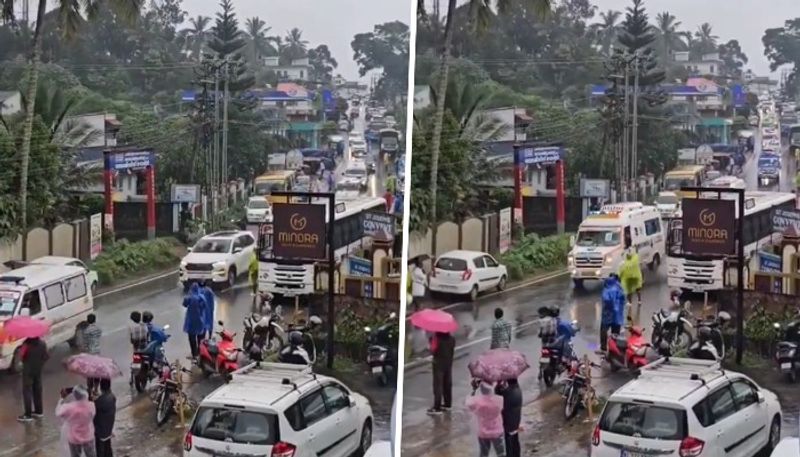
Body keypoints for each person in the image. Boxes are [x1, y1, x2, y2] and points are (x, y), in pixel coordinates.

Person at [465, 382, 506, 457]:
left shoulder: (477, 401)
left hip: (483, 432)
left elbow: (468, 403)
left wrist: (474, 390)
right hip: (497, 431)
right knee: (501, 453)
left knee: (483, 454)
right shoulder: (499, 400)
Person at [56, 385, 96, 457]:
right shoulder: (91, 406)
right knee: (91, 455)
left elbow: (58, 413)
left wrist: (61, 398)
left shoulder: (68, 407)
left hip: (74, 438)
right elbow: (93, 414)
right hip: (88, 436)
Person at [18, 336, 48, 422]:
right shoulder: (42, 343)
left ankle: (28, 414)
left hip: (28, 370)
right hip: (38, 369)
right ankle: (39, 411)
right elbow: (46, 356)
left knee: (27, 391)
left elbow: (21, 356)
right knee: (37, 389)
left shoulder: (26, 344)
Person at [428, 331, 454, 415]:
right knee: (447, 384)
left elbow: (432, 350)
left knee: (438, 385)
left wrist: (431, 341)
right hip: (448, 363)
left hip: (438, 364)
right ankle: (448, 404)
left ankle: (437, 407)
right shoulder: (452, 339)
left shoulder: (436, 339)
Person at [495, 379, 522, 457]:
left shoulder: (508, 393)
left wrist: (498, 387)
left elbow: (499, 398)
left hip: (509, 423)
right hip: (516, 421)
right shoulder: (517, 390)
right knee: (515, 441)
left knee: (509, 444)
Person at [600, 274, 626, 351]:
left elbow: (606, 300)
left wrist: (610, 306)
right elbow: (623, 298)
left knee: (603, 330)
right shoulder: (619, 288)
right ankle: (615, 347)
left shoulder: (606, 290)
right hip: (617, 315)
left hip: (607, 314)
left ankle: (603, 347)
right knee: (616, 332)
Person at [182, 283, 206, 360]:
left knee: (192, 339)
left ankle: (194, 354)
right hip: (200, 320)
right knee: (200, 338)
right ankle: (200, 353)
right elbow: (204, 306)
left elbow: (184, 304)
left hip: (191, 321)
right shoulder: (201, 297)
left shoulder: (189, 297)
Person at [80, 314, 102, 395]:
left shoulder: (86, 331)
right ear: (95, 320)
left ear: (88, 320)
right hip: (97, 353)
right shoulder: (99, 329)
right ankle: (96, 389)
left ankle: (90, 390)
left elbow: (85, 344)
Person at [93, 379, 116, 457]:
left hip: (100, 431)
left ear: (101, 387)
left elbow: (93, 413)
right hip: (109, 428)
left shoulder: (100, 401)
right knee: (108, 448)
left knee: (100, 451)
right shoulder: (112, 397)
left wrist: (93, 399)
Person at [618, 251, 643, 322]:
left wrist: (619, 277)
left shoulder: (627, 262)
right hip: (634, 278)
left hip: (632, 278)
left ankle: (633, 301)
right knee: (634, 290)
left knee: (632, 290)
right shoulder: (633, 261)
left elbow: (621, 271)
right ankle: (636, 301)